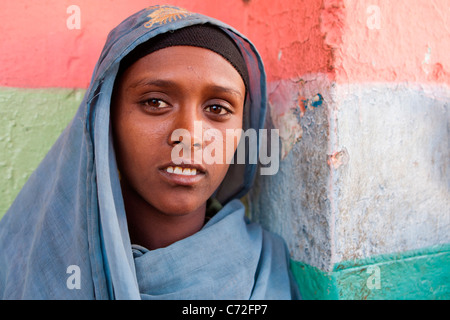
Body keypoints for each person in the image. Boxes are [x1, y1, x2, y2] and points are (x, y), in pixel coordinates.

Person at [0, 5, 300, 299]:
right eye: (155, 103)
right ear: (106, 119)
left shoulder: (263, 269)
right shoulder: (29, 259)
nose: (189, 136)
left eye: (216, 108)